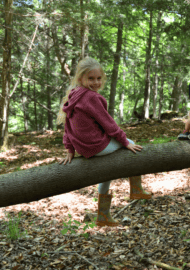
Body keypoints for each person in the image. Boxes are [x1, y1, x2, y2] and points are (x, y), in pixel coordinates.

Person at [57, 57, 151, 227]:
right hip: (96, 144)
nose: (96, 82)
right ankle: (136, 189)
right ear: (80, 79)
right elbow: (108, 124)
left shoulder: (74, 94)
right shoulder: (91, 97)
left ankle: (103, 215)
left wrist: (70, 149)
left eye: (98, 78)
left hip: (84, 147)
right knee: (131, 144)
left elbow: (67, 126)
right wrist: (124, 141)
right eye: (91, 78)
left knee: (106, 172)